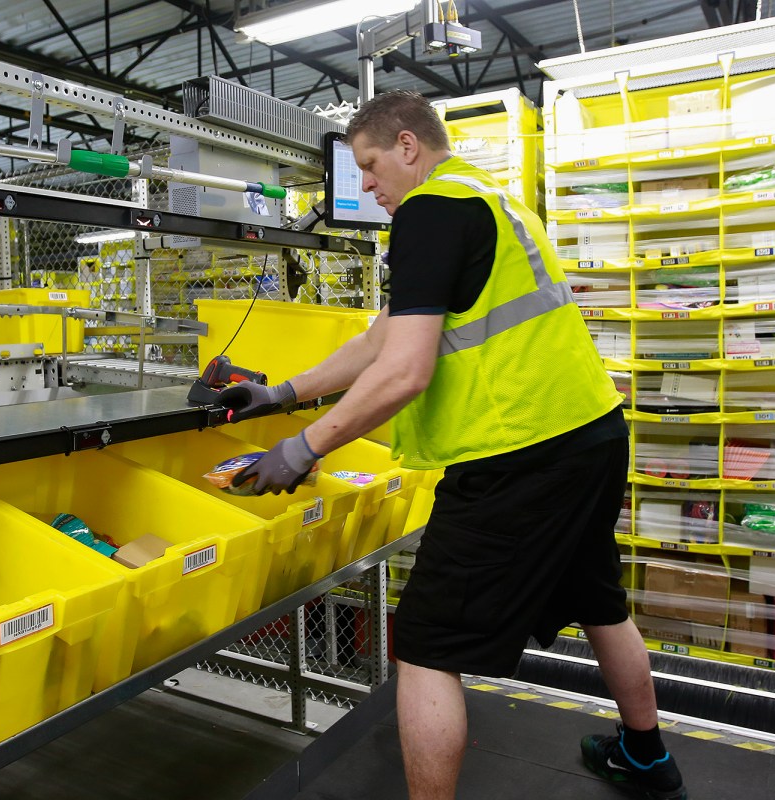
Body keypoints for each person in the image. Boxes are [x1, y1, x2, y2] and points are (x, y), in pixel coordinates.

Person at [218, 90, 687, 800]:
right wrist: (285, 392)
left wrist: (302, 446)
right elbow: (382, 337)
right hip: (589, 434)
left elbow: (405, 370)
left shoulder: (432, 213)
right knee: (597, 596)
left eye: (371, 166)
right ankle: (646, 756)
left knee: (430, 643)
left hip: (519, 453)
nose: (367, 186)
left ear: (408, 146)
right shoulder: (485, 200)